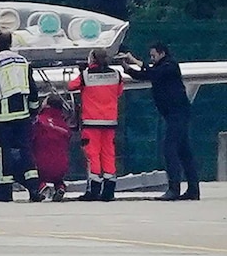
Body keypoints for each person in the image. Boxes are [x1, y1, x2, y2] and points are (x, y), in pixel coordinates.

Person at [119, 42, 199, 200]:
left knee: (170, 149)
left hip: (178, 114)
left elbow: (153, 73)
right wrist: (127, 68)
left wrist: (135, 60)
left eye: (153, 55)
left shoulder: (169, 65)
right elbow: (145, 75)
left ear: (162, 53)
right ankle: (193, 189)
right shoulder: (160, 68)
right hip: (173, 115)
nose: (152, 58)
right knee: (184, 152)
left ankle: (174, 189)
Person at [0, 29, 43, 202]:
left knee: (4, 152)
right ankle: (34, 189)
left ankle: (5, 192)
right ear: (11, 43)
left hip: (4, 117)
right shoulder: (23, 61)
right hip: (23, 116)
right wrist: (34, 111)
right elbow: (32, 89)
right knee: (26, 150)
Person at [68, 49, 124, 201]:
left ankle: (94, 189)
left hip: (91, 122)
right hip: (110, 122)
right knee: (108, 154)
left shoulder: (86, 76)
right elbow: (118, 92)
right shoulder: (116, 75)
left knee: (93, 155)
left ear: (91, 59)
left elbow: (71, 86)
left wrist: (83, 71)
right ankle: (109, 189)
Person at [32, 94, 72, 202]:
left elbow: (30, 139)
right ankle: (60, 187)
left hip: (42, 165)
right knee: (58, 178)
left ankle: (41, 186)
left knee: (28, 169)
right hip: (62, 166)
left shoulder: (39, 121)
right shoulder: (64, 125)